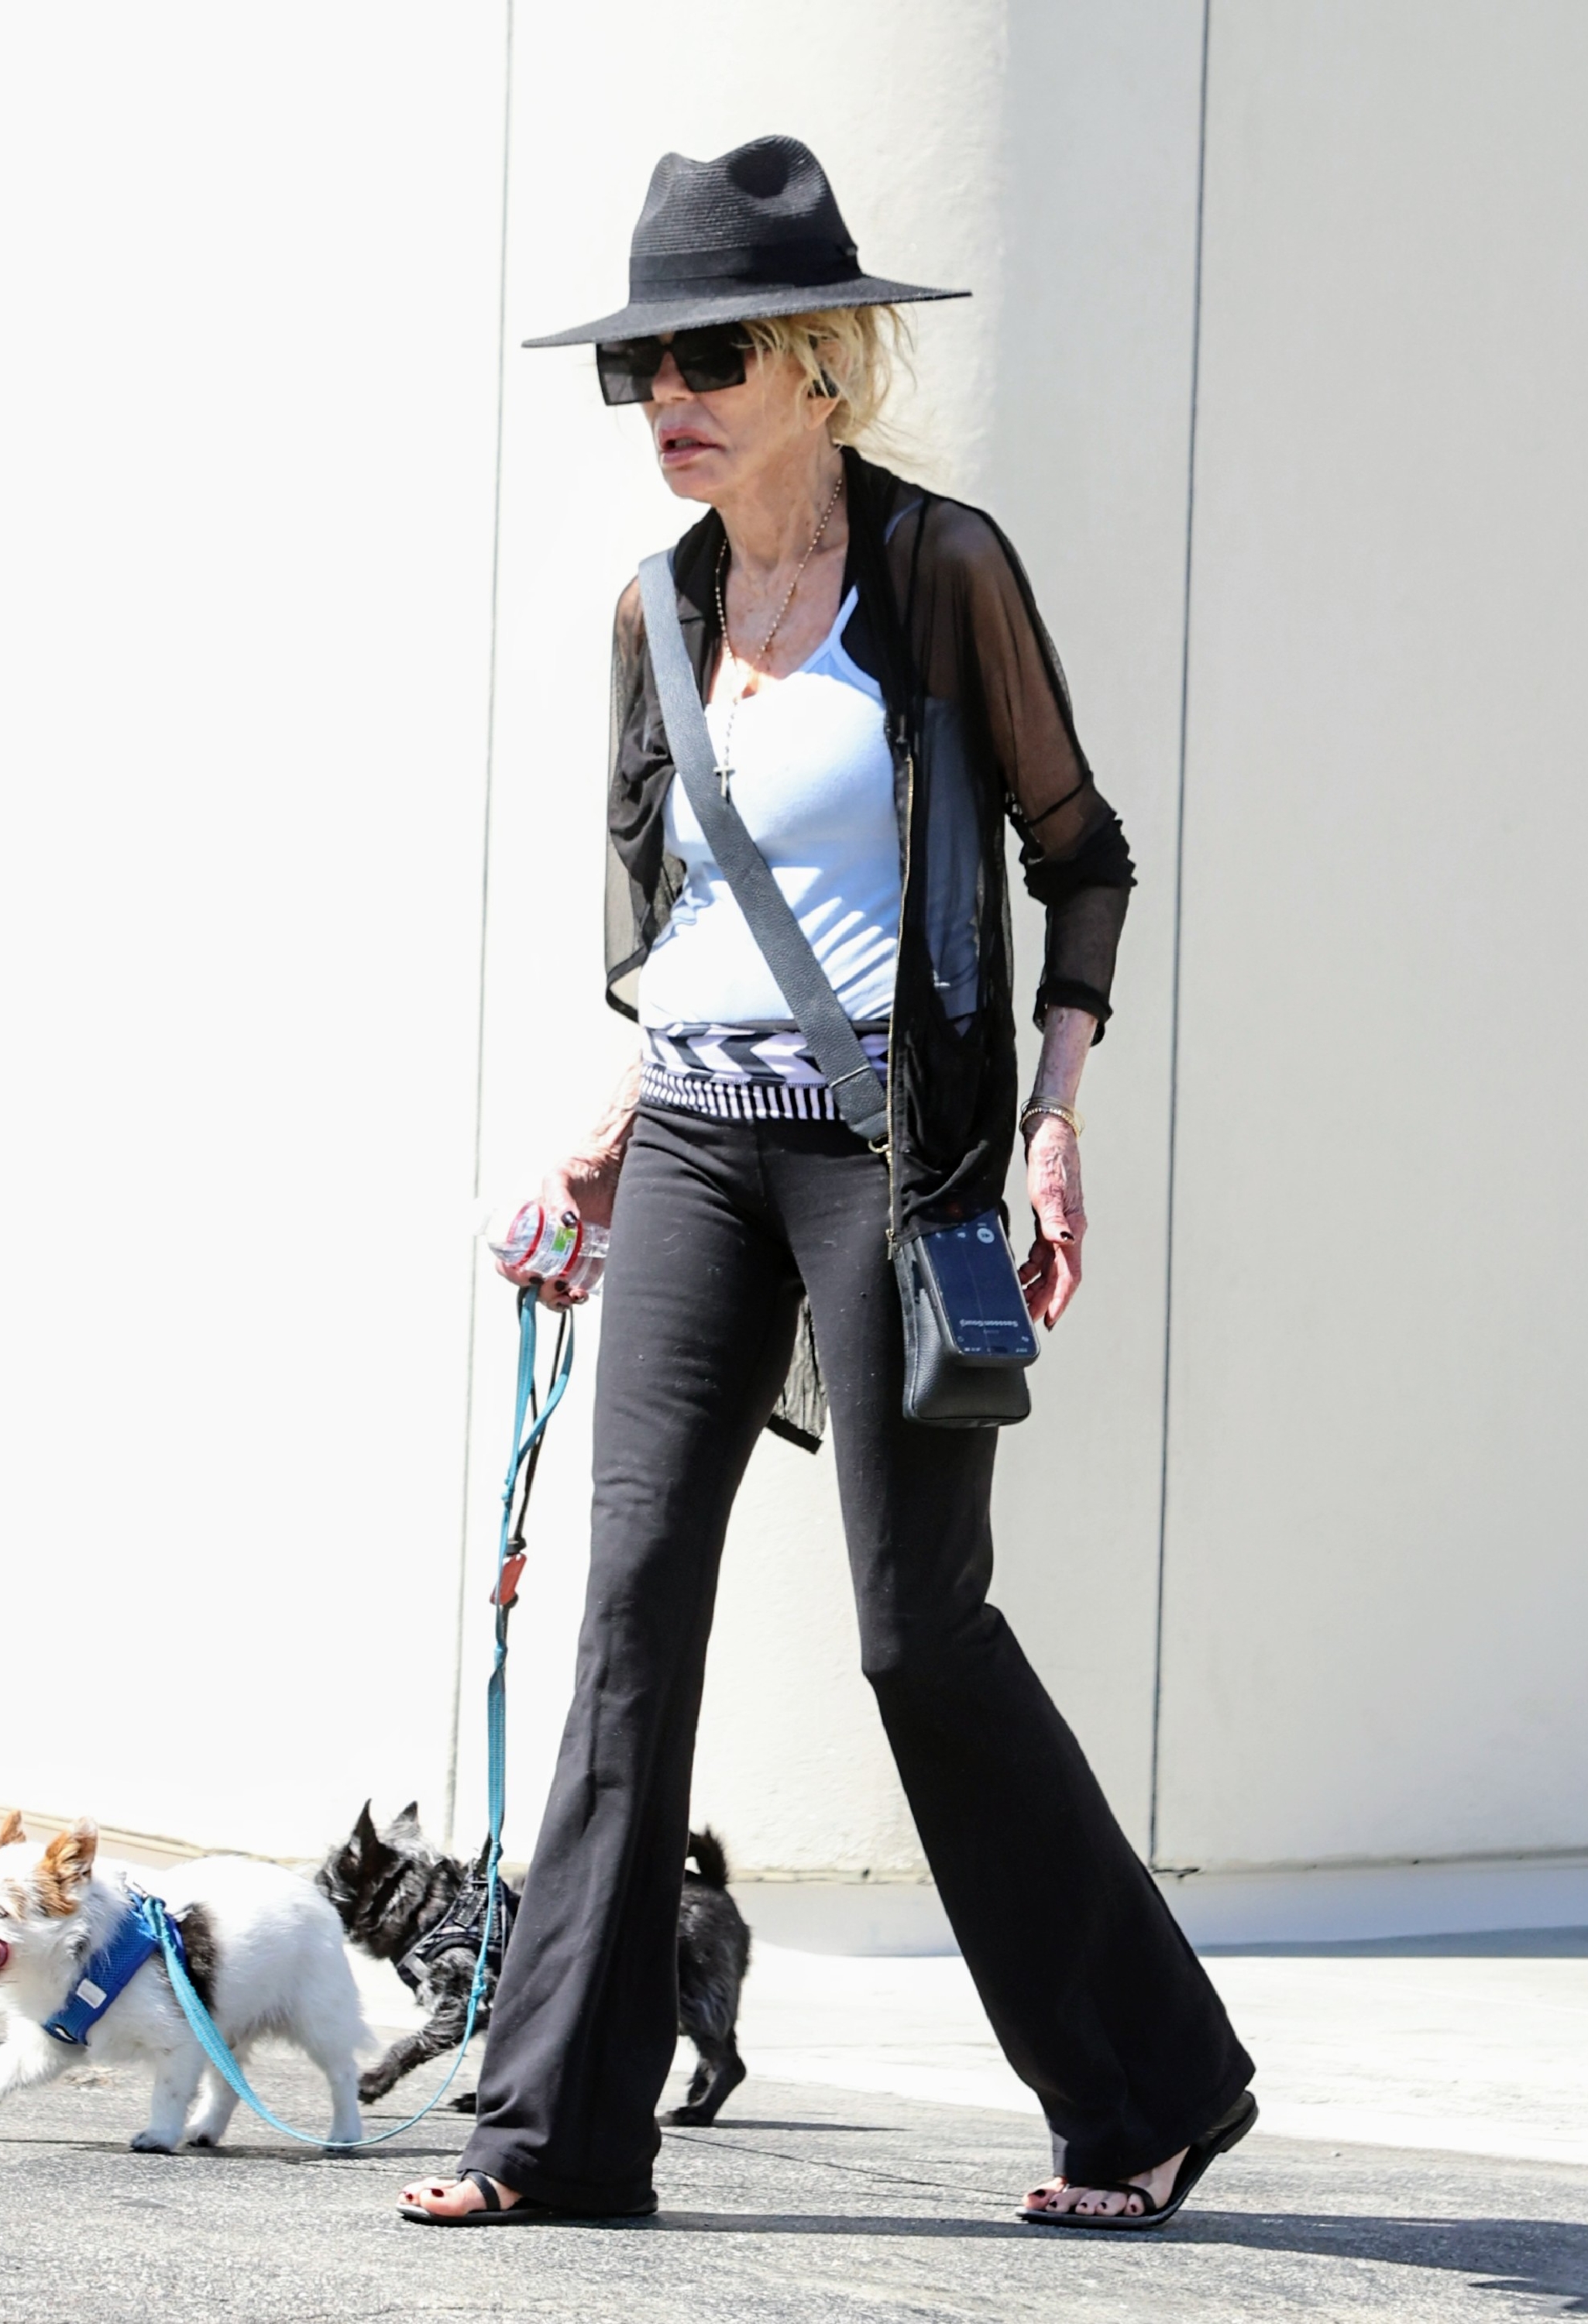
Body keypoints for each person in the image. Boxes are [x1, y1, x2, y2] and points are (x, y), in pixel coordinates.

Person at [399, 135, 1254, 2233]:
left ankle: (1149, 2084)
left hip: (895, 1153)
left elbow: (1082, 859)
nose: (662, 396)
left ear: (819, 367)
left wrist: (1052, 1116)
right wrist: (602, 1140)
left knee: (913, 1634)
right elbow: (692, 922)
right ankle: (554, 2136)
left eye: (701, 354)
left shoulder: (940, 568)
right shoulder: (656, 611)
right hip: (693, 1138)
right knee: (627, 1618)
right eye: (636, 366)